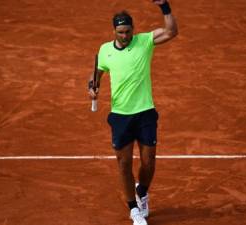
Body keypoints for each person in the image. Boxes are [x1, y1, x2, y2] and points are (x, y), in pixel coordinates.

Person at [87, 1, 178, 225]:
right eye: (120, 32)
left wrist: (164, 7)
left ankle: (142, 191)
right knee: (124, 164)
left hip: (145, 112)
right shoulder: (105, 50)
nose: (125, 35)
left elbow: (171, 31)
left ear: (133, 29)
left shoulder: (144, 41)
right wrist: (92, 87)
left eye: (128, 31)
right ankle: (134, 209)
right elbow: (97, 74)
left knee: (149, 162)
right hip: (120, 115)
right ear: (114, 31)